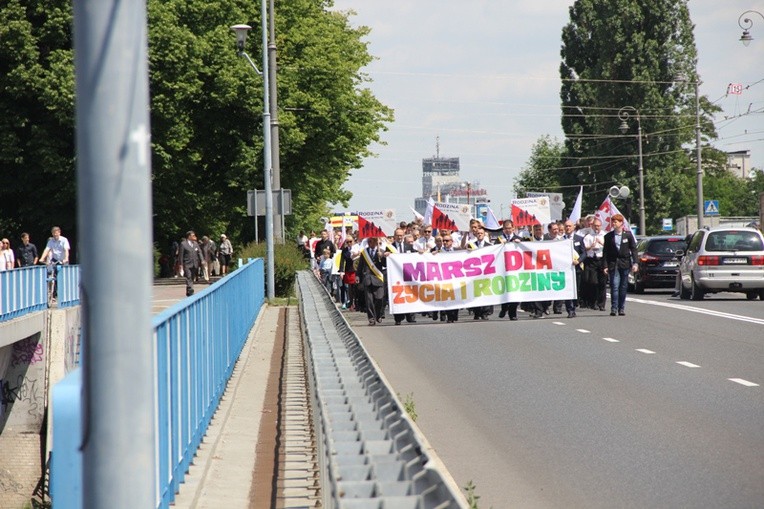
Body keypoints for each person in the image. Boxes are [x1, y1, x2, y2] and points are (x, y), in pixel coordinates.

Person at [603, 214, 638, 316]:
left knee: (623, 286)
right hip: (613, 264)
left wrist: (635, 263)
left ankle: (621, 308)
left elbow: (634, 249)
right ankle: (614, 308)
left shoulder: (628, 235)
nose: (614, 223)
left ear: (621, 223)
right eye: (613, 222)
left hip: (625, 263)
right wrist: (605, 265)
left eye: (616, 222)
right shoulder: (608, 236)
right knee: (614, 286)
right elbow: (605, 252)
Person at [387, 228, 417, 325]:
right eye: (397, 235)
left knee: (410, 295)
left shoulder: (409, 246)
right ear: (394, 236)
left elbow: (416, 256)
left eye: (401, 235)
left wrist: (421, 253)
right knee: (398, 296)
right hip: (396, 277)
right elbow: (384, 262)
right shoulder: (389, 248)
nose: (399, 237)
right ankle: (398, 318)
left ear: (403, 235)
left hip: (408, 275)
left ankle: (410, 316)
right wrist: (385, 255)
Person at [495, 220, 522, 320]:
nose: (508, 230)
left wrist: (520, 244)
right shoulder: (499, 239)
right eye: (506, 228)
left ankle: (513, 314)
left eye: (509, 228)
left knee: (515, 291)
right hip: (503, 269)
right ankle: (504, 307)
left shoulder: (519, 239)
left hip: (516, 270)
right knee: (505, 290)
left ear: (513, 228)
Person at [356, 236, 386, 325]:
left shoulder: (381, 251)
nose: (370, 243)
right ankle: (371, 318)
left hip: (378, 278)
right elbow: (360, 266)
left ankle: (378, 314)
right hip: (367, 279)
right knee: (369, 301)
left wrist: (382, 256)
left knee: (379, 298)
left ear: (376, 242)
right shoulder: (364, 253)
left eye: (372, 241)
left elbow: (385, 264)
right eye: (369, 241)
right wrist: (358, 276)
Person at [583, 219, 607, 310]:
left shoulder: (605, 235)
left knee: (602, 283)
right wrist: (591, 246)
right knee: (593, 282)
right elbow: (584, 248)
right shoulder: (588, 236)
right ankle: (594, 302)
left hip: (601, 260)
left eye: (598, 226)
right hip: (592, 260)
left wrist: (601, 243)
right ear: (592, 226)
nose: (597, 228)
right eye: (595, 226)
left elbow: (608, 247)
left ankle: (601, 304)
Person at [178, 230, 203, 296]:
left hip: (195, 263)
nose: (195, 237)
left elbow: (199, 252)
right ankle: (190, 289)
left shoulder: (196, 244)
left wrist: (202, 260)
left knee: (192, 277)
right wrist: (180, 265)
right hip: (187, 263)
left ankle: (189, 291)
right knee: (188, 276)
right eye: (193, 236)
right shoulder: (183, 244)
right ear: (189, 236)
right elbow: (181, 255)